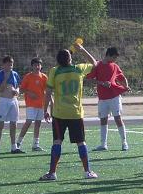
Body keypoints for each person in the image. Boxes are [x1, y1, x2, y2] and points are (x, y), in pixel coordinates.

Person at [39, 44, 99, 181]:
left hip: (59, 113)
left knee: (57, 142)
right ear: (70, 59)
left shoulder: (54, 71)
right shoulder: (78, 69)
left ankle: (52, 173)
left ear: (57, 60)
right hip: (76, 113)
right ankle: (87, 171)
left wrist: (45, 110)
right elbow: (94, 63)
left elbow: (48, 93)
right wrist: (82, 49)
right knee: (81, 142)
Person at [85, 46, 130, 151]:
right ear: (108, 55)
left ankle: (124, 142)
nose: (115, 60)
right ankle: (103, 144)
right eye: (114, 57)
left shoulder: (115, 66)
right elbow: (89, 79)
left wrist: (125, 87)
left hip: (114, 97)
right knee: (103, 120)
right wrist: (101, 83)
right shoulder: (98, 65)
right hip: (102, 98)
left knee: (118, 118)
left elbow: (122, 78)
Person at [16, 58, 48, 151]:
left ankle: (35, 145)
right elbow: (21, 90)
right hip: (31, 104)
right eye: (35, 65)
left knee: (38, 124)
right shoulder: (28, 77)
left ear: (41, 66)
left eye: (39, 65)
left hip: (41, 104)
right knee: (28, 122)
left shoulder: (44, 77)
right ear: (32, 66)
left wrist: (49, 104)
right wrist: (29, 93)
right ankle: (18, 143)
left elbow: (47, 91)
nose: (37, 67)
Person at [0, 56, 21, 154]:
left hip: (13, 100)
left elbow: (18, 87)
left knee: (14, 123)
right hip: (4, 100)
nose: (10, 66)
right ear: (3, 65)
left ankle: (14, 147)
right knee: (1, 124)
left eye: (11, 64)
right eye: (8, 64)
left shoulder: (15, 74)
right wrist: (6, 78)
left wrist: (16, 91)